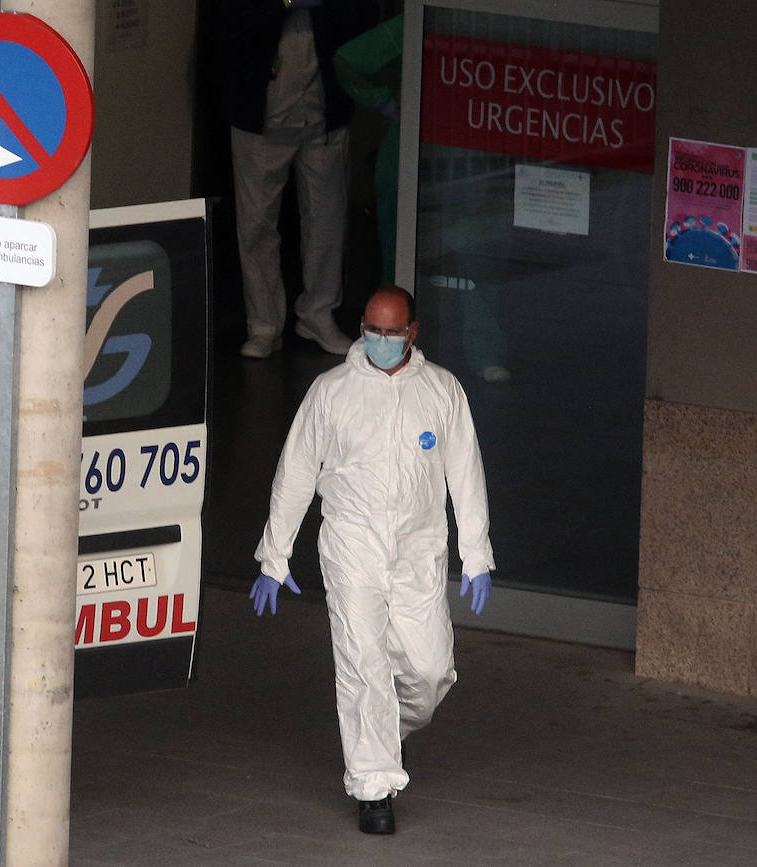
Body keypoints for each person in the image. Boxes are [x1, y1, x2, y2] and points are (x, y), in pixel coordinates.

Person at [248, 284, 495, 835]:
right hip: (352, 549)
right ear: (361, 327)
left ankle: (387, 732)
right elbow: (295, 474)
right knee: (363, 669)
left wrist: (476, 553)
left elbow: (466, 475)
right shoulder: (331, 392)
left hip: (417, 551)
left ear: (413, 333)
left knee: (431, 673)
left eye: (392, 331)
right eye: (371, 329)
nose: (380, 340)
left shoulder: (442, 391)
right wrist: (274, 555)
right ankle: (373, 787)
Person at [333, 17, 511, 383]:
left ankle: (484, 352)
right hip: (411, 159)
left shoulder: (492, 22)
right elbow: (348, 60)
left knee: (478, 256)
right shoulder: (421, 19)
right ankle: (395, 360)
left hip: (466, 160)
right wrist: (387, 104)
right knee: (403, 266)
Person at [219, 0, 379, 359]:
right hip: (259, 108)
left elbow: (362, 16)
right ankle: (263, 324)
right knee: (256, 224)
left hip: (325, 104)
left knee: (327, 220)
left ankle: (318, 314)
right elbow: (228, 21)